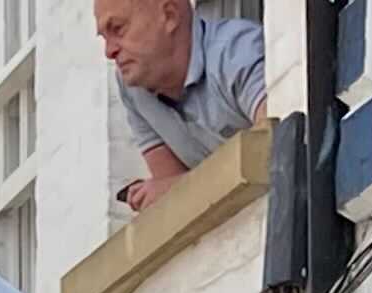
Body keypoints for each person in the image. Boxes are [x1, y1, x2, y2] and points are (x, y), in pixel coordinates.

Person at [96, 0, 267, 212]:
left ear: (169, 16)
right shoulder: (133, 89)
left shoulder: (237, 51)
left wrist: (179, 186)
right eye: (104, 37)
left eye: (118, 29)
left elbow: (277, 146)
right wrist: (174, 188)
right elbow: (170, 201)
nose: (108, 51)